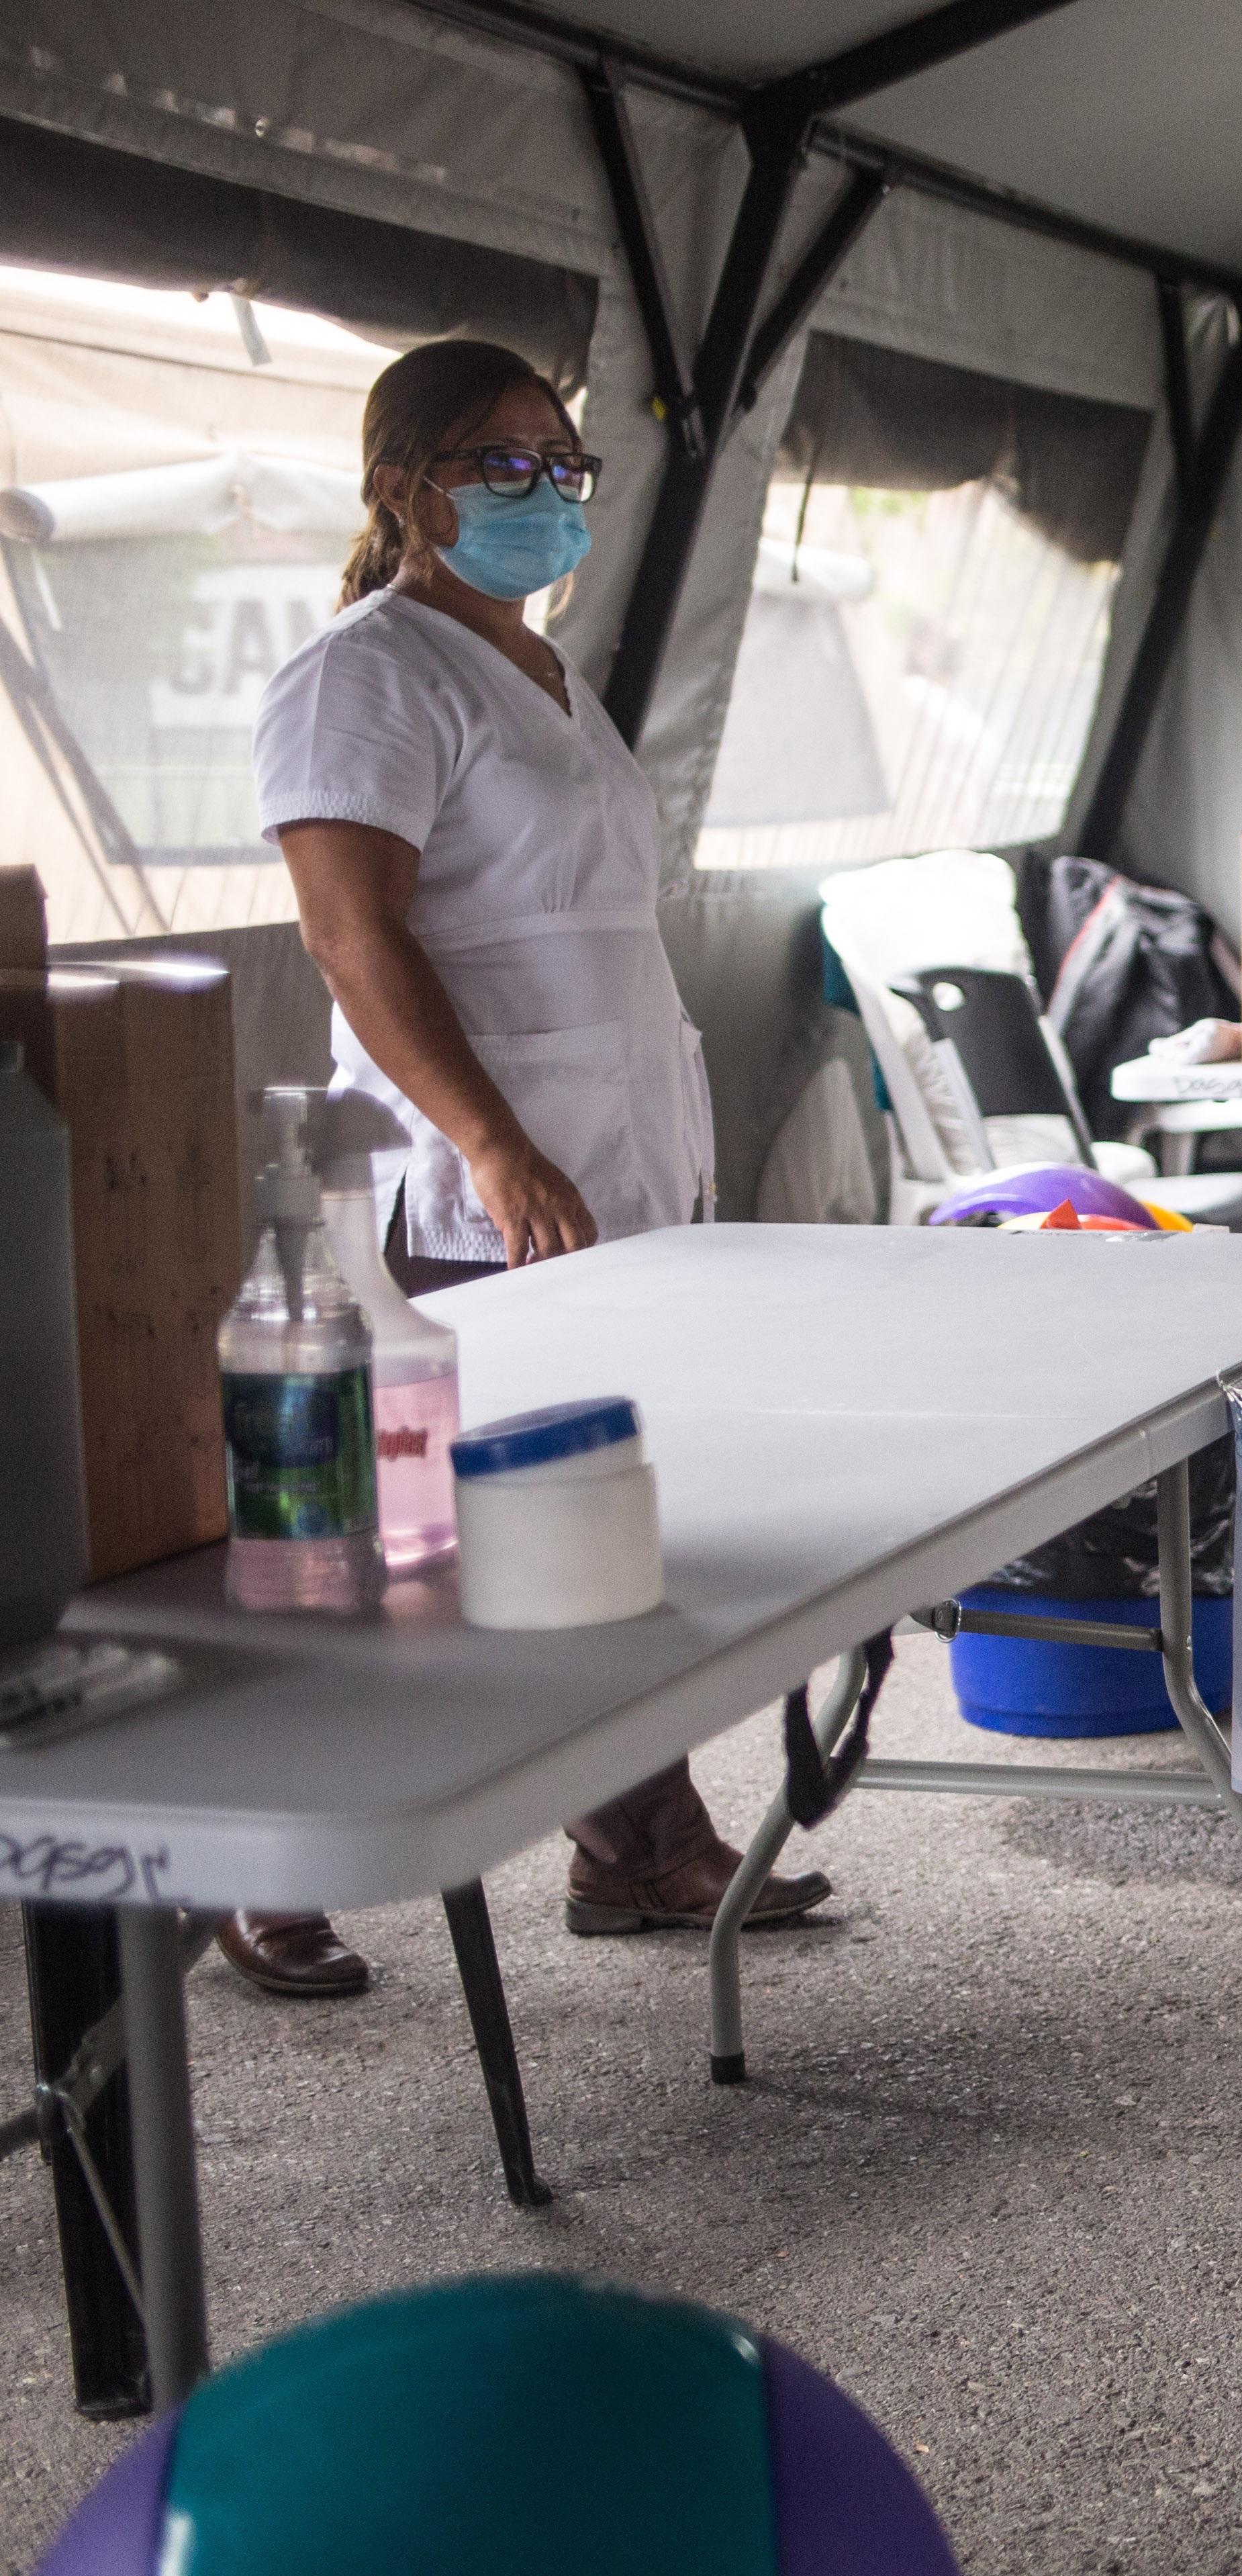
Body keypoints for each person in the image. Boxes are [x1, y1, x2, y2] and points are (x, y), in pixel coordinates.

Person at [234, 338, 828, 2002]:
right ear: (403, 488)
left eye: (562, 465)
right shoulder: (367, 673)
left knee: (595, 1515)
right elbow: (354, 938)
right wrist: (493, 1138)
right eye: (502, 464)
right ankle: (265, 1857)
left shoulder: (543, 677)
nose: (544, 493)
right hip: (473, 1190)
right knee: (409, 1543)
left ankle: (636, 1839)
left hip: (613, 1174)